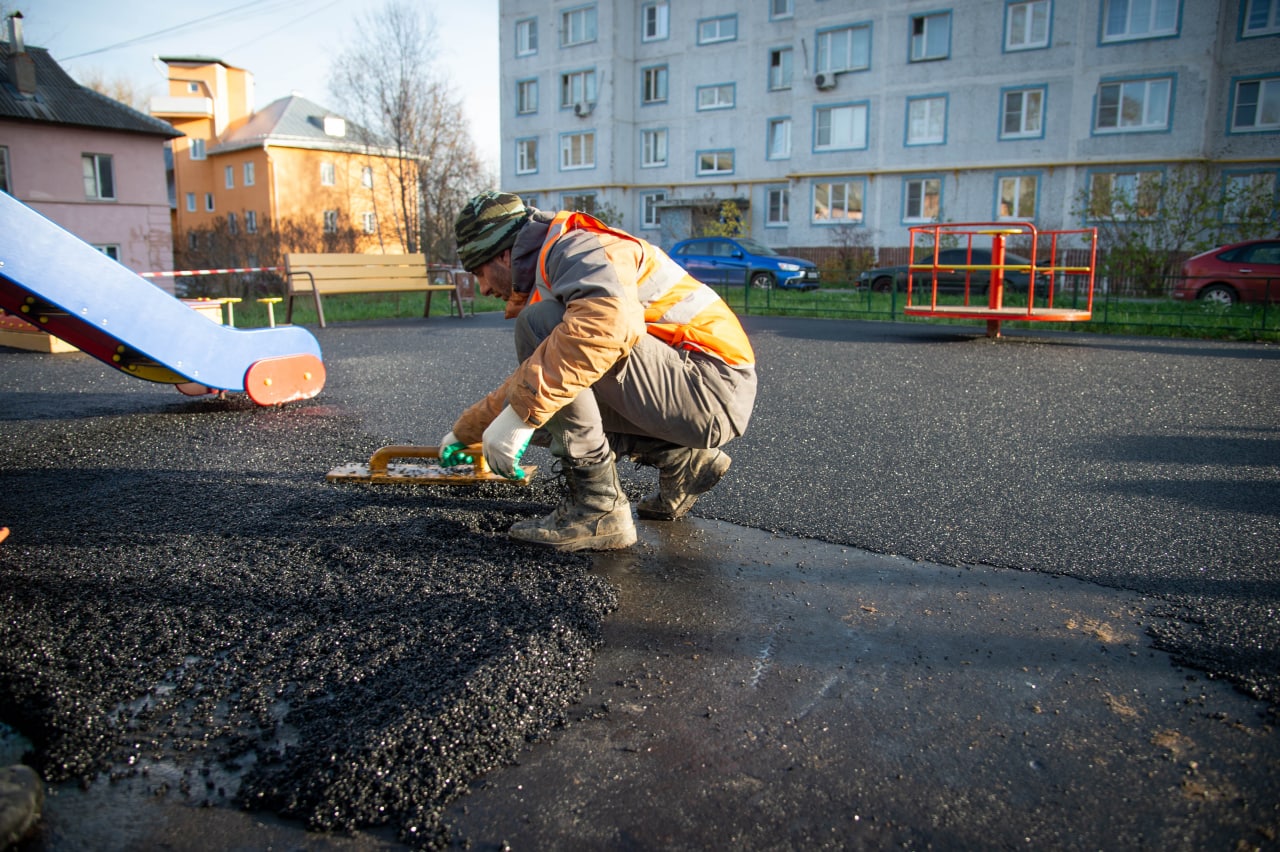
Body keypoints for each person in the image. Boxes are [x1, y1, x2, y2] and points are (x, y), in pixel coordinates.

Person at [439, 191, 757, 552]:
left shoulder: (580, 248)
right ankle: (683, 458)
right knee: (542, 401)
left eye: (479, 271)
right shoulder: (559, 261)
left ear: (503, 253)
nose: (482, 287)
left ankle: (596, 509)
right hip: (696, 388)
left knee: (541, 335)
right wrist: (466, 432)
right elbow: (537, 376)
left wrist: (520, 415)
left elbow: (608, 326)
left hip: (711, 388)